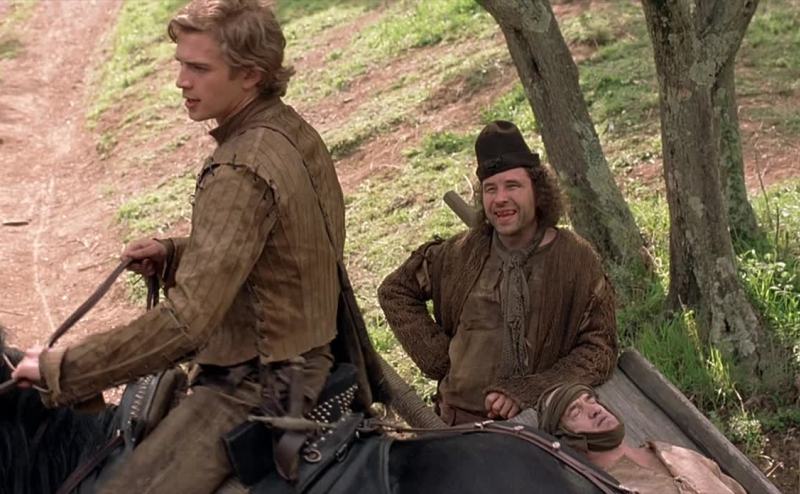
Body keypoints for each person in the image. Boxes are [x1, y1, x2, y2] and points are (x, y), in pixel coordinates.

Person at [12, 0, 345, 492]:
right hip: (311, 356)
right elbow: (288, 251)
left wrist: (62, 369)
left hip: (257, 384)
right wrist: (175, 254)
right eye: (181, 64)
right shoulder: (290, 131)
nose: (181, 82)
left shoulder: (239, 168)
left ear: (250, 76)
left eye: (199, 68)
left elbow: (186, 326)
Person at [378, 120, 618, 426]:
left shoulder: (575, 259)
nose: (500, 198)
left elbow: (600, 350)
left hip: (540, 424)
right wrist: (440, 358)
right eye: (490, 189)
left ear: (538, 191)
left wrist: (530, 390)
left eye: (512, 186)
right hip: (457, 424)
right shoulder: (459, 254)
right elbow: (395, 291)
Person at [537, 382, 748, 494]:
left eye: (591, 401)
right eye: (575, 412)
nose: (594, 410)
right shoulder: (607, 487)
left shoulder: (672, 452)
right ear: (565, 438)